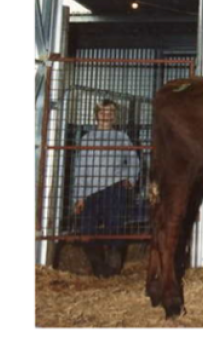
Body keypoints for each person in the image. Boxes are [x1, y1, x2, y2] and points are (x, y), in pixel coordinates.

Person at [73, 99, 141, 277]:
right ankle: (98, 269)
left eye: (111, 111)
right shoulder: (87, 139)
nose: (107, 114)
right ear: (96, 115)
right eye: (103, 111)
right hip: (90, 192)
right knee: (87, 232)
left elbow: (134, 161)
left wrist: (130, 178)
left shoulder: (122, 137)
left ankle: (113, 268)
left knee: (115, 228)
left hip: (113, 188)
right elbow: (80, 168)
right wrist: (79, 197)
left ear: (115, 115)